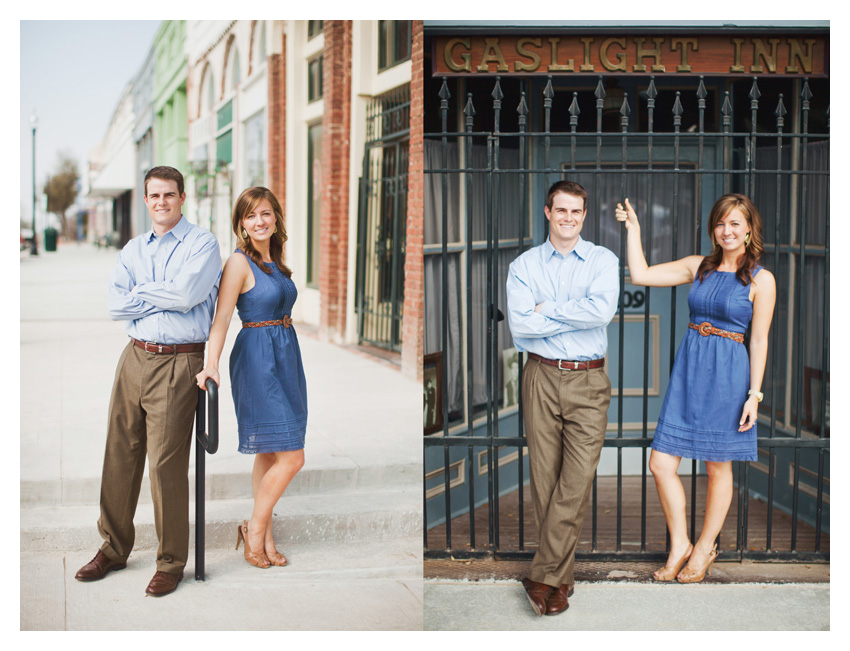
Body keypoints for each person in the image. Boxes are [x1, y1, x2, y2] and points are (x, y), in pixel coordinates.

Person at [75, 166, 222, 597]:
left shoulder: (203, 244)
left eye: (169, 195)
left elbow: (187, 295)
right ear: (145, 200)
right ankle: (113, 548)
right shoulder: (132, 248)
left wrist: (143, 291)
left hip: (180, 362)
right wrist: (161, 290)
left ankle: (171, 561)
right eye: (154, 196)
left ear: (182, 198)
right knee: (120, 452)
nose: (162, 202)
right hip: (134, 357)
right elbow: (115, 306)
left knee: (164, 464)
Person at [615, 194, 775, 583]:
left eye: (735, 223)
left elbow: (758, 340)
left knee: (718, 467)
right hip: (690, 371)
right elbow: (641, 275)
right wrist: (634, 230)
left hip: (729, 376)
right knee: (660, 463)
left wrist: (754, 395)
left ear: (749, 228)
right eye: (721, 223)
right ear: (713, 229)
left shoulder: (761, 279)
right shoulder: (697, 266)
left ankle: (703, 548)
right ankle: (680, 544)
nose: (727, 230)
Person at [506, 180, 619, 616]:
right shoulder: (524, 265)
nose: (569, 218)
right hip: (540, 375)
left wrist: (545, 310)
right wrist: (566, 313)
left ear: (584, 216)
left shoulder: (603, 260)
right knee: (546, 481)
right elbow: (521, 326)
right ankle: (560, 581)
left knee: (575, 482)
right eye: (562, 211)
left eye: (577, 212)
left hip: (588, 381)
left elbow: (601, 311)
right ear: (548, 213)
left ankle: (541, 575)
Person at [196, 187, 307, 569]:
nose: (259, 222)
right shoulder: (239, 263)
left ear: (276, 216)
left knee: (271, 449)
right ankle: (255, 530)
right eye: (250, 216)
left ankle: (266, 535)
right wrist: (211, 364)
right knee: (293, 457)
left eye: (265, 214)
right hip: (258, 359)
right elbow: (223, 317)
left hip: (285, 354)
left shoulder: (274, 258)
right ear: (241, 223)